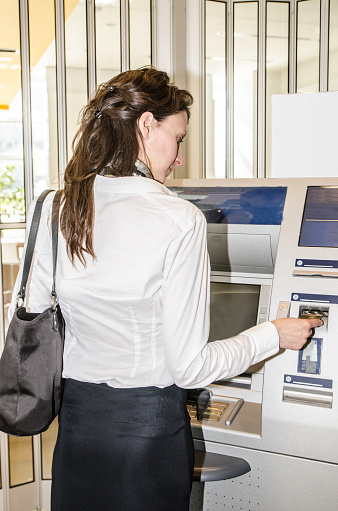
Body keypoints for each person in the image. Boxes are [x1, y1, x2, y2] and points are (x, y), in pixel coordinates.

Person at [9, 66, 322, 511]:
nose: (178, 159)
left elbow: (32, 317)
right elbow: (190, 369)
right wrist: (274, 334)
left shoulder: (59, 206)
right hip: (146, 436)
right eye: (178, 140)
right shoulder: (177, 220)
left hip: (79, 431)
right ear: (146, 124)